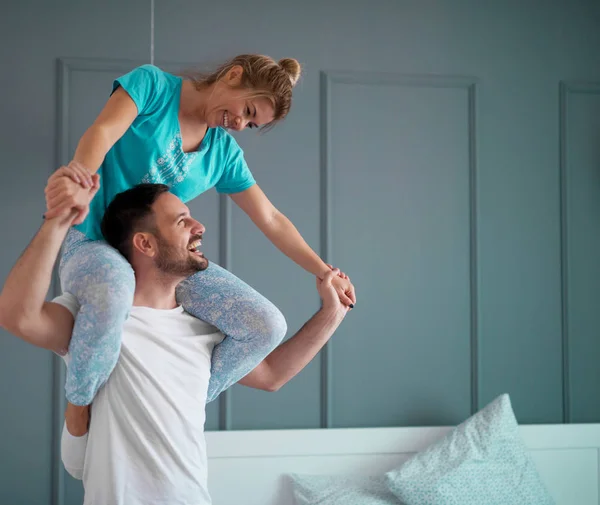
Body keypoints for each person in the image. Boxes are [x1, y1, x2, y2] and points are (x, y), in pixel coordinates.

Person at [41, 54, 356, 435]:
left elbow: (271, 219)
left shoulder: (223, 153)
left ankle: (173, 401)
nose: (240, 124)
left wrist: (324, 271)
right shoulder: (152, 87)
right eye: (247, 109)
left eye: (251, 123)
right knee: (113, 289)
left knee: (266, 325)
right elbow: (104, 131)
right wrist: (79, 179)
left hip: (163, 260)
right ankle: (79, 403)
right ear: (234, 75)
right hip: (95, 240)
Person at [0, 183, 350, 504]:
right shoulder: (93, 321)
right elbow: (19, 316)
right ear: (146, 243)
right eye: (182, 221)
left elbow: (272, 375)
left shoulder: (203, 332)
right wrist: (57, 223)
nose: (200, 227)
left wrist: (333, 313)